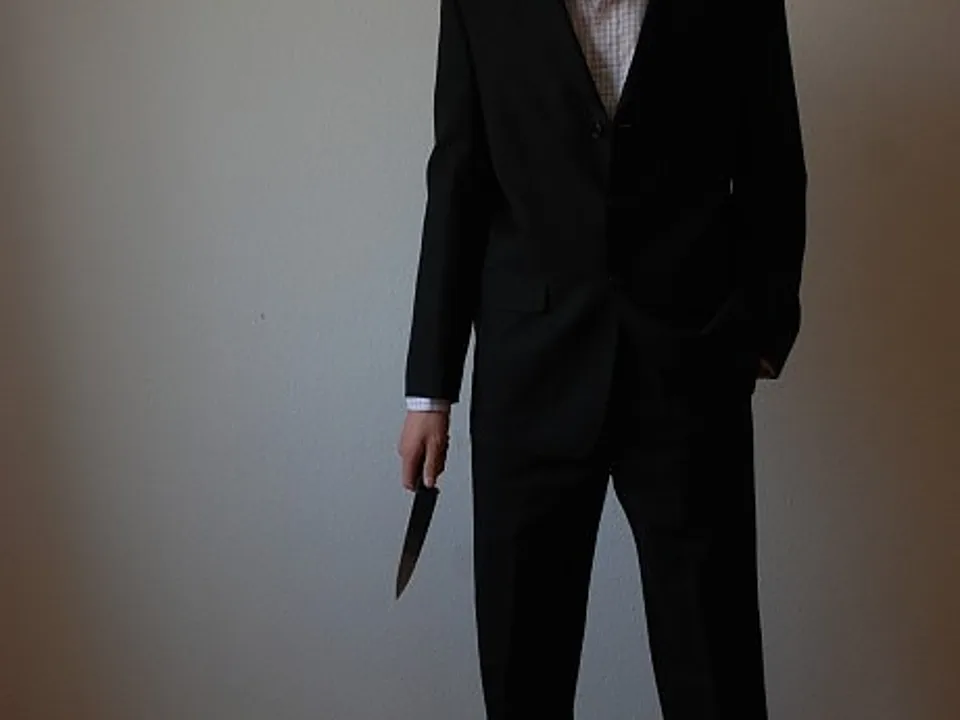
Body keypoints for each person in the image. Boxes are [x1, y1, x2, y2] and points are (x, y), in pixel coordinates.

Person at [397, 0, 806, 717]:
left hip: (690, 373)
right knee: (524, 669)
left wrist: (759, 336)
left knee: (717, 669)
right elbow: (459, 179)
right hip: (530, 379)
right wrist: (431, 391)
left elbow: (772, 159)